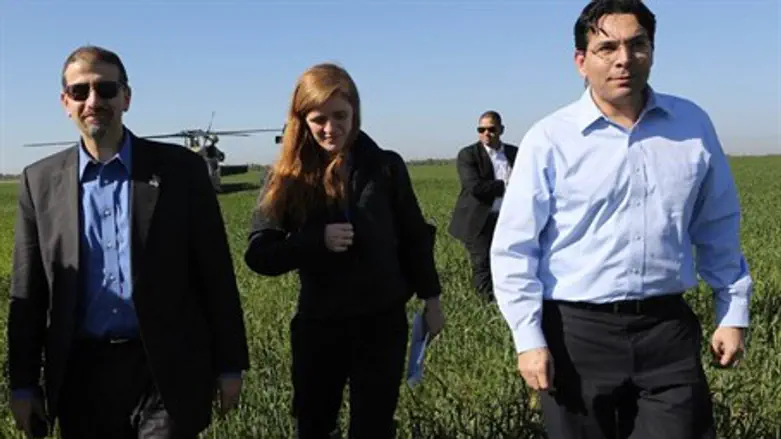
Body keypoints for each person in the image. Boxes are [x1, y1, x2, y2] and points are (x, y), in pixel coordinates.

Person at [490, 1, 753, 438]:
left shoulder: (691, 125)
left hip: (667, 333)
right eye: (606, 47)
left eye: (637, 45)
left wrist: (732, 310)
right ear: (581, 61)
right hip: (576, 337)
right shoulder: (550, 139)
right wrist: (529, 338)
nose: (623, 59)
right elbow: (516, 247)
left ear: (652, 50)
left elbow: (717, 225)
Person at [7, 45, 250, 438]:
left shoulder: (180, 171)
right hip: (81, 374)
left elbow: (215, 271)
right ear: (65, 102)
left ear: (126, 97)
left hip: (165, 370)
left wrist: (229, 364)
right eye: (80, 92)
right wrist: (22, 384)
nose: (93, 101)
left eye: (105, 89)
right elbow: (28, 292)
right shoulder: (39, 182)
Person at [244, 62, 445, 439]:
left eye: (340, 116)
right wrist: (313, 241)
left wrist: (432, 300)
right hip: (321, 325)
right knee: (315, 424)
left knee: (374, 426)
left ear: (355, 112)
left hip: (382, 323)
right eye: (318, 118)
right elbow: (259, 254)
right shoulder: (286, 177)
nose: (330, 128)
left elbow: (415, 236)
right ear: (301, 120)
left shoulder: (385, 167)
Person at [448, 111, 517, 300]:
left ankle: (506, 300)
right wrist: (508, 184)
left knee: (508, 261)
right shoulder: (468, 154)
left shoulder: (514, 153)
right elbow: (475, 187)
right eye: (481, 129)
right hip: (478, 220)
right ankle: (485, 305)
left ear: (501, 130)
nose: (486, 133)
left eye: (491, 129)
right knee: (482, 263)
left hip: (507, 219)